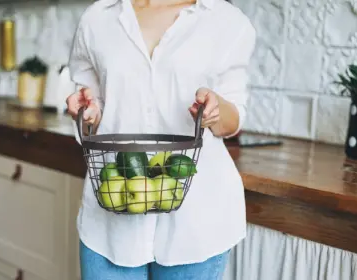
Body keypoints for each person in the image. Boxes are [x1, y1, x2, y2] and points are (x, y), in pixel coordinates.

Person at [65, 0, 256, 279]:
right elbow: (93, 103)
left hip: (198, 221)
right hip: (110, 218)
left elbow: (235, 116)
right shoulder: (98, 18)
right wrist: (87, 111)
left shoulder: (227, 21)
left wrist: (216, 111)